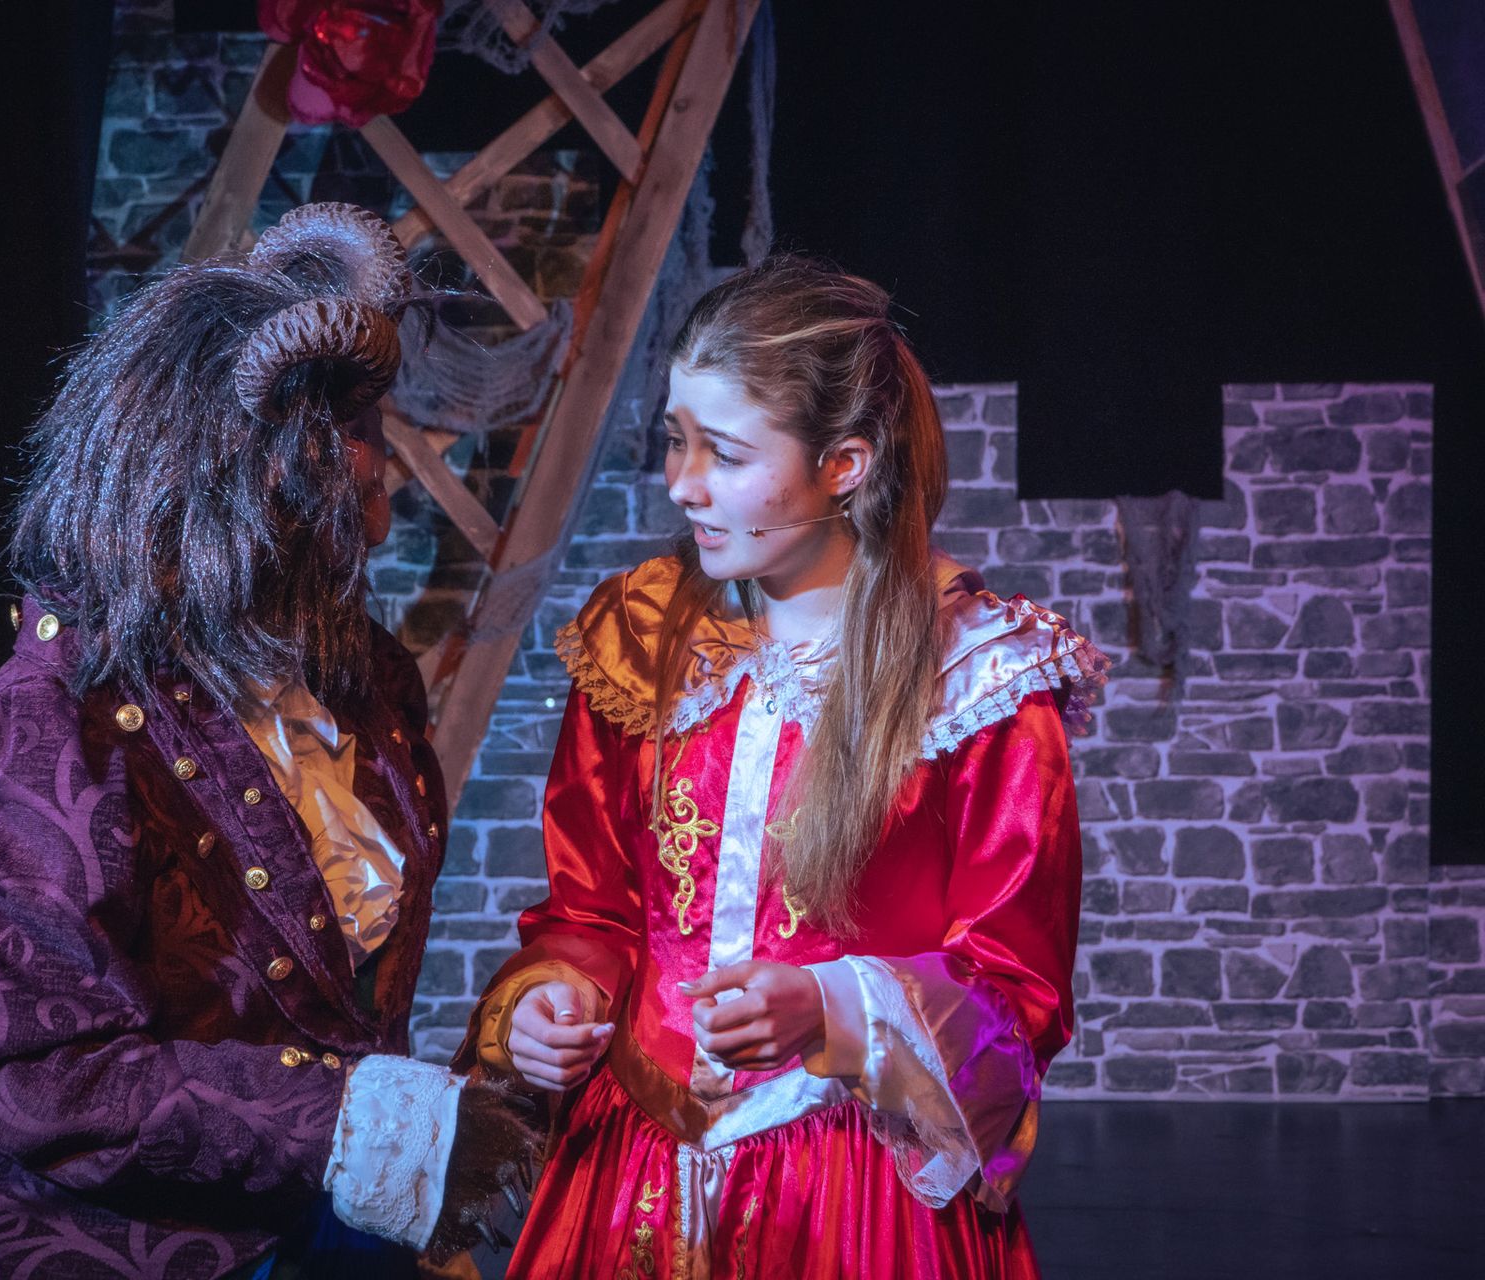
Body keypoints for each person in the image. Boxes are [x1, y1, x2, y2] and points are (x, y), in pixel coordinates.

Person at [0, 203, 531, 1279]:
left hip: (313, 1230)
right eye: (361, 432)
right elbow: (36, 1076)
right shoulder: (48, 733)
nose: (385, 469)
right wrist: (377, 1123)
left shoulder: (366, 679)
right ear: (267, 466)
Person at [457, 256, 1108, 1277]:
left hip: (853, 1190)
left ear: (843, 463)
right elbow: (591, 909)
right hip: (634, 1166)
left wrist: (830, 1007)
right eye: (675, 439)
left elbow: (1015, 988)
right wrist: (554, 996)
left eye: (724, 451)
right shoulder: (644, 645)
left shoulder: (976, 681)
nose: (683, 482)